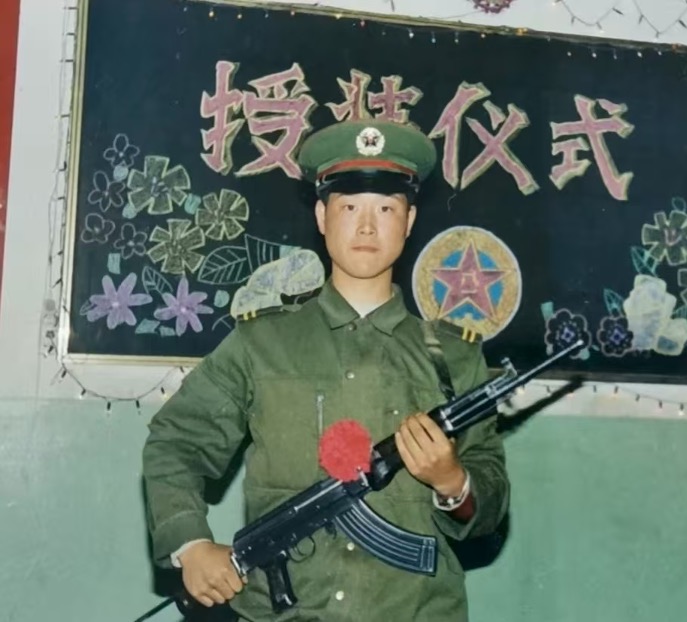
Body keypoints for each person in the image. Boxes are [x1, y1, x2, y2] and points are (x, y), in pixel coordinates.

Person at [141, 118, 510, 622]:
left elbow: (489, 500)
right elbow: (176, 442)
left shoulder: (454, 357)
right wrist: (191, 544)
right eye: (349, 207)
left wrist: (453, 483)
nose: (367, 226)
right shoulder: (261, 343)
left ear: (409, 220)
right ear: (321, 215)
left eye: (386, 208)